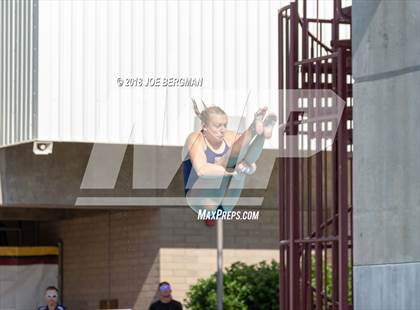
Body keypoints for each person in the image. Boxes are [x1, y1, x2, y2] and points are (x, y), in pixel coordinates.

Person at [182, 99, 278, 215]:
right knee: (227, 162)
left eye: (225, 125)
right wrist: (230, 172)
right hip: (201, 200)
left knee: (243, 161)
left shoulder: (230, 136)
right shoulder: (195, 138)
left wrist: (250, 168)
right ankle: (253, 127)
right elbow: (202, 171)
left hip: (226, 206)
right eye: (218, 126)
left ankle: (264, 132)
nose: (223, 129)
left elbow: (251, 163)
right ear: (204, 126)